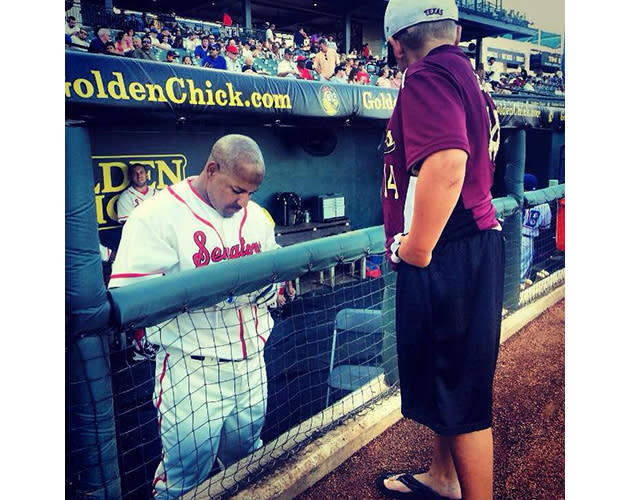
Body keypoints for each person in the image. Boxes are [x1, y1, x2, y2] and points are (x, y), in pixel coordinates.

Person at [109, 135, 286, 500]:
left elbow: (276, 270)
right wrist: (218, 293)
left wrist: (276, 287)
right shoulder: (156, 215)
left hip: (253, 361)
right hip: (193, 370)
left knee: (248, 462)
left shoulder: (254, 216)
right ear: (211, 170)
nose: (244, 202)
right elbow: (127, 298)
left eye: (251, 193)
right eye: (237, 190)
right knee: (185, 478)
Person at [378, 2, 503, 500]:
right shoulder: (467, 76)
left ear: (395, 43)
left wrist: (418, 249)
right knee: (448, 380)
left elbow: (448, 164)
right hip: (468, 245)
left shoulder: (424, 75)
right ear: (454, 30)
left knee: (463, 392)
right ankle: (444, 478)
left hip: (448, 252)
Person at [520, 173, 552, 286]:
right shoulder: (543, 202)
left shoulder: (516, 198)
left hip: (511, 238)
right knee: (521, 276)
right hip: (527, 240)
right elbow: (545, 227)